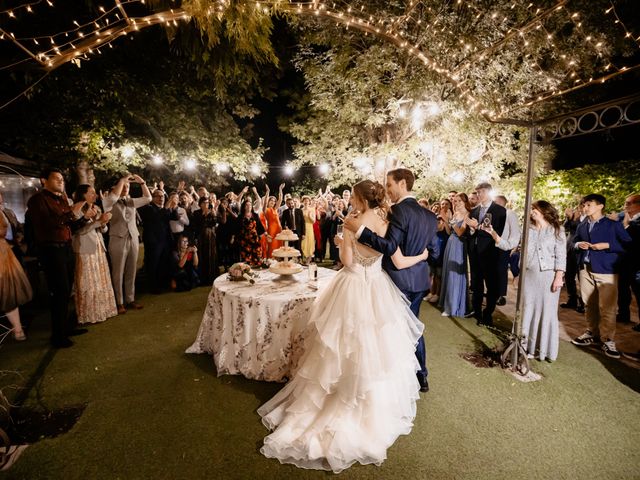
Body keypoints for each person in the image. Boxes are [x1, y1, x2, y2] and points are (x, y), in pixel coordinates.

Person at [258, 179, 429, 473]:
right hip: (378, 286)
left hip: (353, 286)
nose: (351, 202)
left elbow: (348, 263)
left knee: (342, 346)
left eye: (354, 197)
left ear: (361, 199)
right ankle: (372, 405)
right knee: (375, 345)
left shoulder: (352, 221)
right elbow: (391, 254)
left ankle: (338, 397)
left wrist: (341, 243)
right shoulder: (387, 220)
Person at [345, 168, 439, 393]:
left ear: (402, 184)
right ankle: (421, 375)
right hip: (419, 281)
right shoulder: (429, 215)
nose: (387, 189)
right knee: (413, 327)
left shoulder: (397, 211)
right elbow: (433, 250)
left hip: (397, 281)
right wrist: (422, 255)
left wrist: (359, 231)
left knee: (391, 332)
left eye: (389, 184)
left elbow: (389, 247)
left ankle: (393, 380)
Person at [26, 167, 90, 348]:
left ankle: (65, 328)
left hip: (66, 248)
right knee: (59, 292)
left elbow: (69, 226)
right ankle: (57, 335)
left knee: (68, 289)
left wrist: (83, 218)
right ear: (43, 181)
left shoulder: (62, 199)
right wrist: (72, 211)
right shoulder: (37, 201)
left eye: (62, 179)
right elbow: (48, 224)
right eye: (56, 179)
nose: (61, 181)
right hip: (50, 250)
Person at [496, 201, 565, 361]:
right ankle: (524, 346)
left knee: (547, 311)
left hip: (548, 276)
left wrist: (559, 277)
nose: (532, 211)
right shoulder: (528, 230)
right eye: (531, 209)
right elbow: (517, 248)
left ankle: (543, 350)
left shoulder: (557, 230)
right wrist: (519, 274)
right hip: (529, 276)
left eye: (535, 209)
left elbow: (561, 255)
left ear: (544, 211)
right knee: (526, 309)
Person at [571, 193, 631, 358]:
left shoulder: (613, 225)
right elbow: (573, 241)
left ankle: (608, 340)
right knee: (589, 304)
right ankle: (592, 333)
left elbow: (628, 244)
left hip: (606, 271)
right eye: (584, 205)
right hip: (585, 269)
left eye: (588, 204)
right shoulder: (582, 225)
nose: (585, 208)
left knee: (607, 308)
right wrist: (578, 244)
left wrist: (608, 245)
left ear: (600, 206)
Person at [102, 174, 151, 314]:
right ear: (114, 187)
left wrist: (142, 183)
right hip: (117, 238)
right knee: (118, 272)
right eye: (123, 185)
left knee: (131, 270)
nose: (126, 188)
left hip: (133, 237)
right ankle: (119, 302)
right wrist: (123, 180)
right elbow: (112, 198)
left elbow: (148, 198)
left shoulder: (130, 201)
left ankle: (130, 299)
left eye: (128, 186)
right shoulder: (108, 201)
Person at [72, 185, 118, 324]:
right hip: (84, 248)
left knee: (100, 279)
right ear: (83, 194)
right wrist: (98, 222)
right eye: (91, 193)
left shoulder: (96, 208)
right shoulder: (76, 209)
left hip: (98, 247)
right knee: (88, 281)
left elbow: (103, 230)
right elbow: (78, 231)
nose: (95, 195)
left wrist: (104, 223)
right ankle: (88, 314)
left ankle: (103, 310)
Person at [464, 182, 506, 326]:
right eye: (477, 192)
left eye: (481, 192)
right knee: (476, 284)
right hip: (474, 253)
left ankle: (488, 313)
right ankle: (476, 311)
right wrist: (471, 229)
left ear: (488, 192)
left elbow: (498, 233)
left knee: (491, 286)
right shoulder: (474, 211)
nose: (478, 194)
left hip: (490, 253)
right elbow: (471, 233)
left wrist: (478, 227)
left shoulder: (500, 211)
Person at [138, 189, 180, 293]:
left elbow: (175, 217)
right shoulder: (149, 208)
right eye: (158, 196)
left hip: (166, 241)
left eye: (162, 196)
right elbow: (157, 217)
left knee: (163, 263)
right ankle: (153, 287)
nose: (161, 198)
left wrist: (174, 207)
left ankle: (163, 284)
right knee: (153, 264)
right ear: (153, 198)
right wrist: (167, 206)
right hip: (154, 242)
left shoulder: (165, 208)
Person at [0, 209, 32, 341]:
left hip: (5, 253)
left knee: (9, 292)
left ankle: (18, 329)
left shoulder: (5, 211)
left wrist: (18, 239)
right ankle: (17, 329)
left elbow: (11, 228)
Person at [439, 193, 472, 317]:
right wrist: (446, 222)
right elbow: (449, 231)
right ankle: (447, 302)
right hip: (450, 243)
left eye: (459, 201)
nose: (456, 203)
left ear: (464, 202)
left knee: (455, 274)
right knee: (448, 273)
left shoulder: (467, 215)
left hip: (459, 245)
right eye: (455, 201)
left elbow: (460, 233)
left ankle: (453, 306)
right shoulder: (455, 214)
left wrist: (448, 220)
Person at [493, 195, 521, 306]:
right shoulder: (493, 214)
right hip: (493, 246)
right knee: (493, 271)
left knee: (501, 270)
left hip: (504, 246)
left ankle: (501, 295)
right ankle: (494, 292)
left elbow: (515, 232)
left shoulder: (510, 213)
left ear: (501, 202)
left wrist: (512, 246)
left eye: (495, 202)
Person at [191, 196, 218, 284]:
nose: (206, 204)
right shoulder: (196, 213)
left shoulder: (211, 212)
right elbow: (195, 226)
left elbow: (214, 223)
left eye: (207, 203)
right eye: (204, 203)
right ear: (200, 204)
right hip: (200, 237)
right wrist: (203, 215)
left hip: (210, 237)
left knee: (210, 255)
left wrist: (213, 213)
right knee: (202, 256)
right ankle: (202, 278)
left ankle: (211, 278)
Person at [236, 199, 266, 266]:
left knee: (257, 256)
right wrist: (236, 238)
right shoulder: (240, 216)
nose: (248, 206)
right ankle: (247, 271)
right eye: (247, 205)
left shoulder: (255, 215)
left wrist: (262, 235)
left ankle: (257, 270)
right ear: (244, 206)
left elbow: (260, 226)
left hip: (255, 239)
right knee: (246, 257)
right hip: (244, 240)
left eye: (250, 205)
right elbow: (237, 228)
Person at [263, 184, 284, 258]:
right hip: (271, 230)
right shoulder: (266, 210)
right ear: (268, 201)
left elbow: (280, 199)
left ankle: (278, 260)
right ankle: (271, 260)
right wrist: (267, 192)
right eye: (271, 200)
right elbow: (265, 203)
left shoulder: (275, 209)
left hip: (278, 229)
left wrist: (280, 189)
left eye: (274, 201)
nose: (273, 202)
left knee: (279, 245)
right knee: (272, 245)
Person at [300, 195, 316, 264]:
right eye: (304, 201)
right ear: (302, 202)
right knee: (303, 243)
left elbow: (314, 221)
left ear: (309, 202)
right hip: (302, 228)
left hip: (309, 227)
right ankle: (303, 258)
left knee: (309, 243)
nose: (306, 202)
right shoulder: (301, 210)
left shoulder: (312, 209)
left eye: (307, 201)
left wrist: (309, 216)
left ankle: (308, 260)